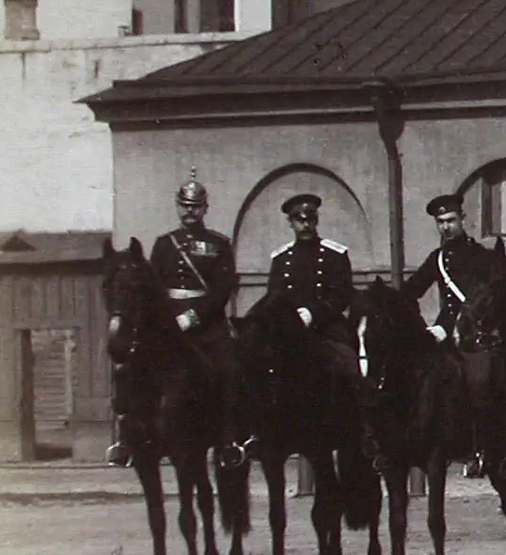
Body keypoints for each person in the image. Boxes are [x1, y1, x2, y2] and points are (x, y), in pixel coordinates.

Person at [136, 171, 241, 467]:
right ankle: (137, 437)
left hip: (207, 326)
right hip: (171, 325)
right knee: (137, 365)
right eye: (184, 205)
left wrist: (194, 316)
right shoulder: (164, 245)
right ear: (177, 206)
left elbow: (222, 288)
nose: (189, 211)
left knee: (229, 368)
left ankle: (229, 439)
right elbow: (156, 288)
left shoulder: (219, 245)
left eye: (195, 206)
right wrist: (168, 320)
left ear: (205, 208)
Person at [400, 194, 499, 475]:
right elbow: (411, 291)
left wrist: (458, 325)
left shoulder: (481, 256)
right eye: (440, 222)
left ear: (462, 219)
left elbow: (486, 299)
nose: (446, 227)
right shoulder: (438, 259)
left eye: (451, 221)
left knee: (478, 381)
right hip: (444, 334)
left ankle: (482, 449)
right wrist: (421, 326)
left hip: (477, 335)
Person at [263, 193, 359, 398]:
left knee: (348, 362)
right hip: (288, 329)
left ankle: (361, 420)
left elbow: (342, 294)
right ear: (291, 222)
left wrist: (312, 314)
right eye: (300, 220)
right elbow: (273, 297)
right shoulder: (281, 258)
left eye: (311, 219)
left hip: (327, 328)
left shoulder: (335, 254)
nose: (306, 225)